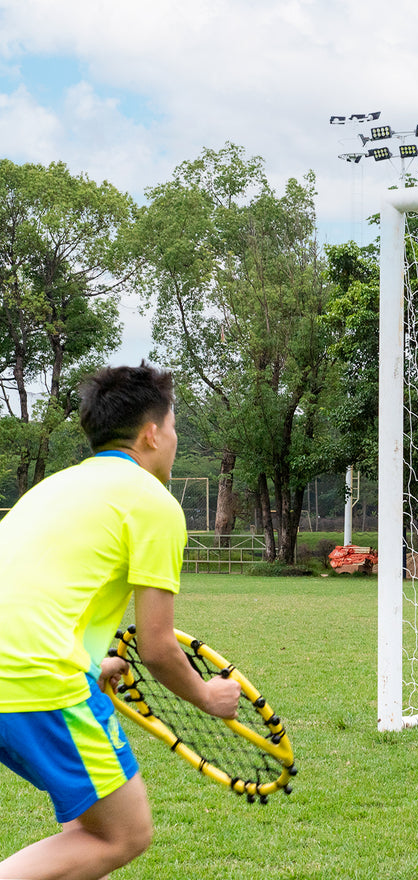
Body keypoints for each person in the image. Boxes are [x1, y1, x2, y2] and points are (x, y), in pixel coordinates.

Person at [0, 363, 240, 879]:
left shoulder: (49, 490)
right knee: (123, 834)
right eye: (173, 427)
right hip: (37, 680)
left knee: (87, 833)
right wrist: (208, 696)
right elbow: (156, 648)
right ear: (151, 434)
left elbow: (30, 596)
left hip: (22, 674)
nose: (174, 440)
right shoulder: (153, 503)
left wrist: (94, 664)